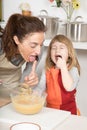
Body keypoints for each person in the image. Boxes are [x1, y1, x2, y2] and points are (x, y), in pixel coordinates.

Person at [33, 34, 80, 115]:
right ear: (50, 54)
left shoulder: (73, 70)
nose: (57, 50)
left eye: (61, 47)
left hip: (69, 112)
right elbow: (40, 88)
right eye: (54, 48)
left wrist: (63, 68)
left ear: (69, 53)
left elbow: (69, 87)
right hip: (50, 111)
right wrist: (32, 96)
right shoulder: (47, 70)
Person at [0, 13, 46, 89]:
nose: (38, 51)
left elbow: (25, 82)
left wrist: (28, 82)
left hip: (12, 87)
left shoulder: (37, 51)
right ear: (17, 40)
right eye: (33, 45)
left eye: (41, 45)